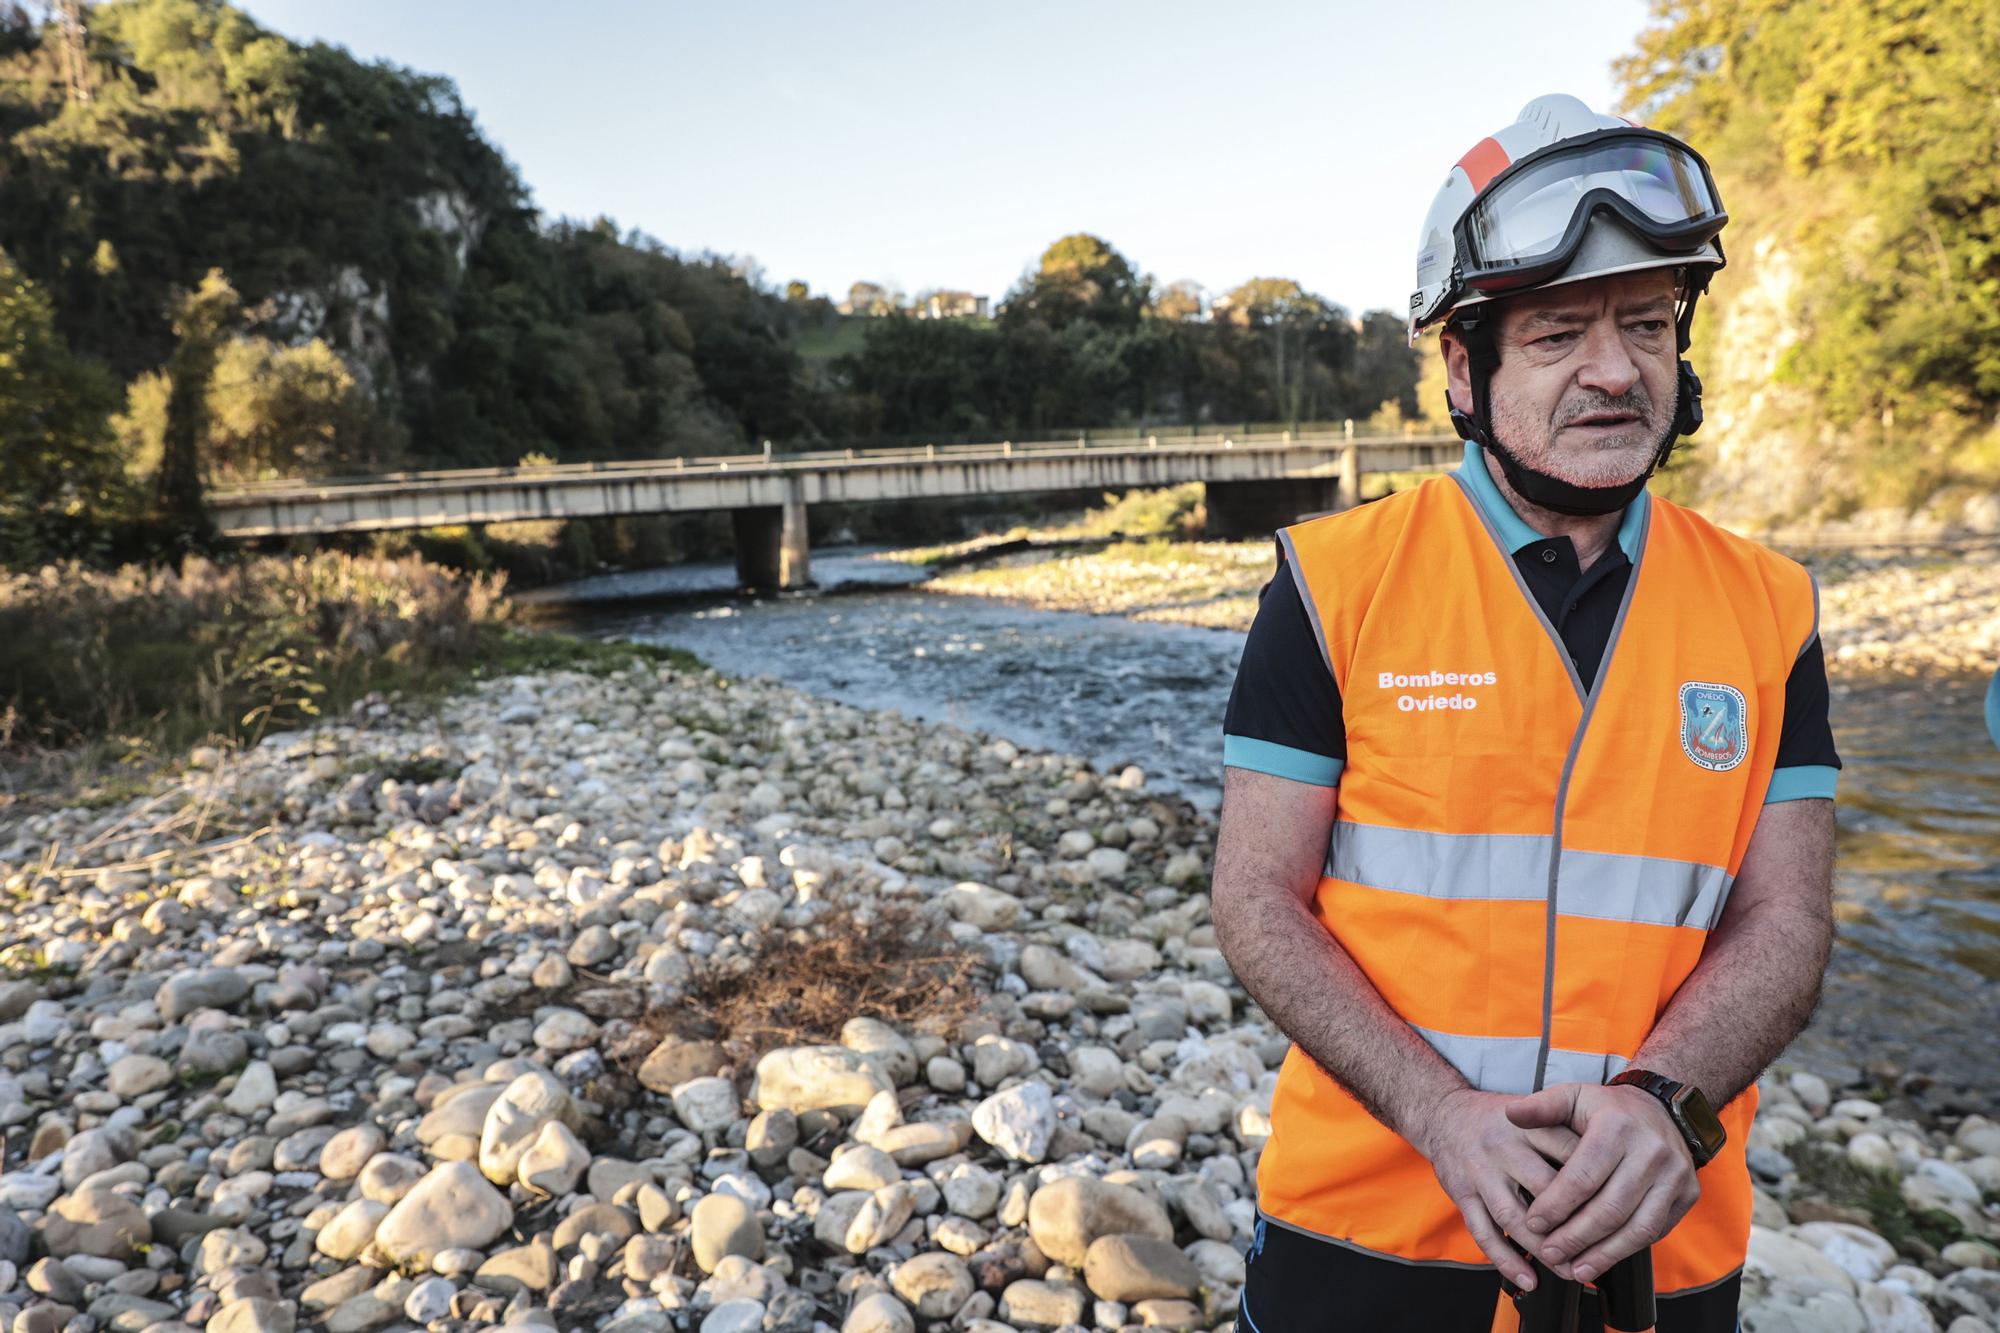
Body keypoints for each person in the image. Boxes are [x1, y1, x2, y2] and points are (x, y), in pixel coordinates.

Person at [1212, 94, 1840, 1332]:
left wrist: (1665, 1100)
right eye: (1557, 334)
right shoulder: (1334, 585)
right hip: (1367, 1228)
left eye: (1648, 325)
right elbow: (1253, 897)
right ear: (1463, 362)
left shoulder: (1771, 609)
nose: (1615, 369)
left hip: (1654, 1245)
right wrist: (1437, 1113)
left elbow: (1786, 914)